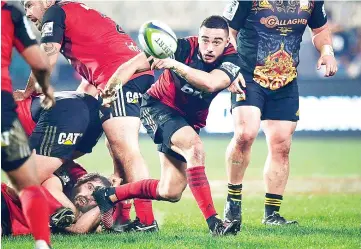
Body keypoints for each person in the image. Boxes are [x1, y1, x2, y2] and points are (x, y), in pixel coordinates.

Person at [93, 15, 244, 236]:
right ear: (198, 37)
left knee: (170, 190)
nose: (209, 47)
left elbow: (210, 83)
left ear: (227, 42)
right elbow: (133, 65)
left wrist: (174, 65)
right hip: (158, 107)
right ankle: (215, 225)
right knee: (195, 148)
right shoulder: (180, 47)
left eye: (217, 42)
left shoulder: (232, 60)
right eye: (205, 40)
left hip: (188, 121)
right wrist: (111, 89)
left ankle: (108, 195)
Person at [22, 0, 157, 230]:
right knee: (117, 151)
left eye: (30, 5)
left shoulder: (55, 13)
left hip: (123, 79)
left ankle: (146, 220)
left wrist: (26, 91)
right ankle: (122, 218)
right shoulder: (76, 10)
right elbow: (91, 78)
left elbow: (46, 60)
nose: (28, 13)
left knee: (127, 150)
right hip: (125, 75)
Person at [221, 0, 338, 229]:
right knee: (245, 133)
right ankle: (233, 203)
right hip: (248, 75)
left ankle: (272, 214)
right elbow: (227, 32)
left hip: (286, 80)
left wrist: (327, 51)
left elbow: (320, 29)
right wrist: (230, 68)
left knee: (281, 144)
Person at [1, 2, 55, 248]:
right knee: (27, 184)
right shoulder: (8, 13)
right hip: (2, 113)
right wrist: (45, 89)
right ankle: (42, 243)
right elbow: (40, 63)